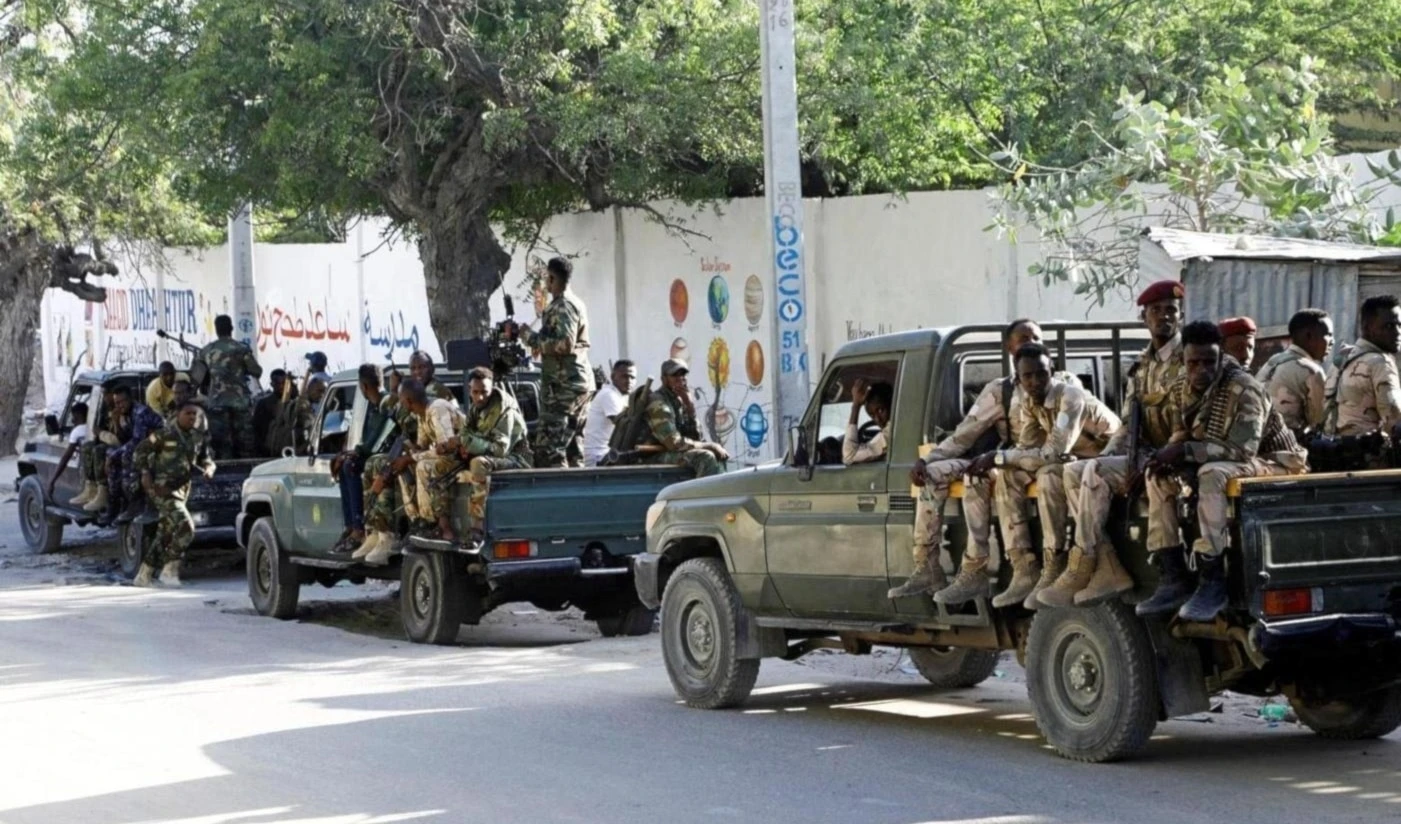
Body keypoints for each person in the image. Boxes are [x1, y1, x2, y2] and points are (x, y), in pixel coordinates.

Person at [1140, 321, 1308, 622]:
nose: (1201, 370)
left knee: (1212, 474)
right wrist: (1169, 457)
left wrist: (1186, 452)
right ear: (1183, 359)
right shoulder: (1180, 388)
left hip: (1275, 462)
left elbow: (1243, 451)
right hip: (1225, 459)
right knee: (1158, 477)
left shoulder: (1244, 388)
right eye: (1193, 363)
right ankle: (1173, 575)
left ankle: (1213, 580)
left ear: (1221, 357)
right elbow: (1181, 436)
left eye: (1209, 362)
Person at [936, 344, 1121, 608]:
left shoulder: (1071, 396)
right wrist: (1000, 462)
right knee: (1008, 475)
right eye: (1028, 376)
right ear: (1019, 378)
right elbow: (1026, 447)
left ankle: (1054, 562)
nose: (1035, 382)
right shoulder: (1030, 401)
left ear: (1051, 371)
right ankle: (1024, 565)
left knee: (1047, 474)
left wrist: (999, 457)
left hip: (1109, 458)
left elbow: (1054, 452)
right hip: (1078, 460)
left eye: (1041, 374)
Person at [1040, 280, 1186, 609]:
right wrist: (1108, 459)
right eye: (1156, 311)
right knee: (1076, 472)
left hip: (1177, 457)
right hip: (1146, 454)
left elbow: (1190, 424)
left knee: (1092, 470)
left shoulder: (1189, 360)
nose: (1164, 317)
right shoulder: (1141, 366)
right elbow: (1127, 426)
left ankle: (1084, 562)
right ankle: (1102, 564)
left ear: (1181, 316)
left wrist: (1138, 464)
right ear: (1143, 317)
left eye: (1171, 310)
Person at [889, 319, 1044, 600]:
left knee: (980, 477)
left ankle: (980, 566)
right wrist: (927, 460)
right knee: (933, 474)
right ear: (1009, 348)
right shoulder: (1000, 390)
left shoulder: (1058, 382)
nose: (1031, 343)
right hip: (1003, 458)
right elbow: (964, 435)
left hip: (1033, 460)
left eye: (1036, 338)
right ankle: (928, 565)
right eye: (1023, 339)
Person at [363, 378, 464, 564]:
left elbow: (446, 448)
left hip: (460, 456)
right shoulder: (421, 413)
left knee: (422, 465)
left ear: (408, 401)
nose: (401, 405)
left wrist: (410, 458)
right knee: (402, 466)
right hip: (447, 456)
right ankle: (416, 521)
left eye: (402, 401)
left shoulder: (437, 408)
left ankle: (428, 522)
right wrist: (406, 454)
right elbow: (422, 447)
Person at [441, 367, 533, 545]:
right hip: (493, 454)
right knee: (441, 463)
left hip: (516, 459)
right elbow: (466, 432)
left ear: (492, 389)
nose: (480, 397)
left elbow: (499, 449)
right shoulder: (476, 409)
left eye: (484, 392)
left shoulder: (504, 411)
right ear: (470, 390)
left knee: (478, 464)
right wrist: (460, 446)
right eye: (475, 392)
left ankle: (478, 525)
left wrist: (466, 442)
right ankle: (441, 525)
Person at [519, 257, 595, 467]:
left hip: (564, 388)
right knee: (572, 449)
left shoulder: (564, 305)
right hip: (573, 383)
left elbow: (565, 343)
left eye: (547, 278)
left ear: (552, 278)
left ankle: (557, 486)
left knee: (549, 451)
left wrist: (529, 336)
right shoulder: (574, 303)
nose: (545, 283)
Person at [131, 400, 217, 587]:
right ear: (178, 414)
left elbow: (206, 458)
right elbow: (139, 452)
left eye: (194, 414)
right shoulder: (163, 434)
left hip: (182, 490)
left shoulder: (197, 437)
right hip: (161, 490)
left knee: (166, 533)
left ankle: (144, 574)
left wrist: (209, 469)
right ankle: (170, 569)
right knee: (186, 527)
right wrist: (145, 473)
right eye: (188, 413)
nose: (191, 417)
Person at [331, 366, 391, 554]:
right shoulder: (375, 405)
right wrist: (351, 452)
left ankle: (358, 529)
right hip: (373, 454)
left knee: (350, 466)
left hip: (385, 456)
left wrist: (356, 452)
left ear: (363, 386)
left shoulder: (385, 403)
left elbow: (378, 437)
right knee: (344, 465)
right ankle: (351, 526)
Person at [1325, 295, 1401, 438]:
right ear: (1367, 328)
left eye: (1399, 325)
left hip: (1332, 447)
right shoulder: (1380, 363)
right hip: (1367, 450)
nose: (1397, 332)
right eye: (1389, 326)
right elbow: (1395, 422)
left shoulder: (1342, 358)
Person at [639, 359, 728, 477]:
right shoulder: (657, 402)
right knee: (706, 457)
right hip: (653, 456)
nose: (680, 378)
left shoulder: (680, 399)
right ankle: (706, 490)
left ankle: (721, 489)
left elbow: (697, 438)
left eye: (683, 374)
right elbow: (673, 443)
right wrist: (710, 446)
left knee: (720, 455)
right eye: (675, 375)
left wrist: (690, 407)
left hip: (672, 452)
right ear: (664, 379)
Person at [1256, 309, 1332, 435]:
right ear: (1309, 336)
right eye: (1328, 335)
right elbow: (1322, 424)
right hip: (1284, 443)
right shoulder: (1312, 371)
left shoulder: (1272, 362)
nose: (1332, 341)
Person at [201, 314, 263, 459]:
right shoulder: (241, 349)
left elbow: (197, 378)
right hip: (240, 402)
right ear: (231, 328)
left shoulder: (206, 350)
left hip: (217, 403)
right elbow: (257, 371)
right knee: (245, 444)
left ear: (216, 330)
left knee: (221, 445)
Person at [583, 360, 637, 466]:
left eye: (632, 377)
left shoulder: (622, 397)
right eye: (624, 377)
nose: (629, 381)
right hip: (598, 456)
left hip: (608, 453)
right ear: (613, 377)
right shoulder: (608, 394)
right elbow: (624, 425)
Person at [842, 379, 894, 465]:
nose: (877, 419)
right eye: (872, 415)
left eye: (880, 410)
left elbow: (849, 455)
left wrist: (856, 405)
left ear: (891, 405)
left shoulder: (892, 432)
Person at [53, 403, 91, 505]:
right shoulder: (92, 427)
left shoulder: (77, 431)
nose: (72, 420)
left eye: (73, 416)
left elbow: (65, 457)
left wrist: (53, 481)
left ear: (79, 415)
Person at [253, 369, 290, 452]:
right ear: (272, 384)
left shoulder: (293, 403)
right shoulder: (264, 403)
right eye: (278, 383)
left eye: (283, 383)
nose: (281, 386)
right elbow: (257, 429)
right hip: (269, 448)